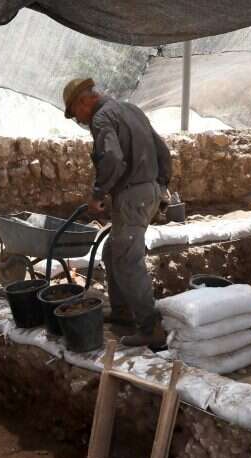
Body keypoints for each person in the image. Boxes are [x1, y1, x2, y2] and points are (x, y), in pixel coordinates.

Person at [62, 77, 172, 350]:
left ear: (84, 100)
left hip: (132, 195)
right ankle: (122, 311)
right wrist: (160, 187)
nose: (79, 120)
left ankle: (151, 329)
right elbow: (163, 151)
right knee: (112, 251)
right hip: (147, 190)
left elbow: (111, 157)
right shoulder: (131, 110)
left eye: (76, 113)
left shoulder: (101, 119)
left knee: (127, 260)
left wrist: (98, 195)